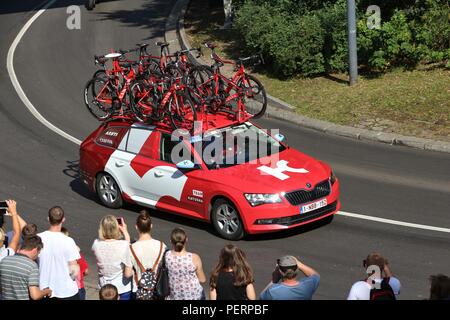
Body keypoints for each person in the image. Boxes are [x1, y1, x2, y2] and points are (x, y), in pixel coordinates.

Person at [37, 206, 81, 300]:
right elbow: (74, 269)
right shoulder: (69, 241)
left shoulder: (38, 238)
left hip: (44, 289)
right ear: (63, 219)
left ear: (48, 219)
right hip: (66, 291)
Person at [92, 215, 133, 300]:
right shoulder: (124, 245)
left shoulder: (96, 244)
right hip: (122, 287)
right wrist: (125, 231)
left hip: (105, 288)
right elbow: (128, 274)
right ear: (116, 228)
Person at [0, 235, 52, 300]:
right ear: (35, 250)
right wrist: (46, 291)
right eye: (38, 253)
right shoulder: (32, 266)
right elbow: (35, 296)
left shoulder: (5, 260)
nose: (38, 255)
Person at [129, 210, 167, 299]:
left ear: (136, 227)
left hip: (139, 291)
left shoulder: (131, 248)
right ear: (151, 226)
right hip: (157, 290)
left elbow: (128, 273)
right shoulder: (162, 246)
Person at [165, 227, 206, 300]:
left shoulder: (167, 256)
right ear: (186, 239)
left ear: (171, 241)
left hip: (174, 296)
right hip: (193, 296)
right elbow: (202, 279)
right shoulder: (194, 257)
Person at [61, 227, 89, 300]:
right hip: (79, 288)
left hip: (63, 288)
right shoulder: (77, 254)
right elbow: (86, 271)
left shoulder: (57, 256)